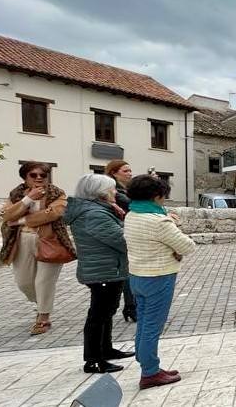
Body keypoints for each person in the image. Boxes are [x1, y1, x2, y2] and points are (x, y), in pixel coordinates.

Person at [124, 175, 196, 389]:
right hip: (158, 276)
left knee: (145, 322)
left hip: (137, 275)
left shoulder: (132, 214)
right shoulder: (159, 221)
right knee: (153, 325)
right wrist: (172, 224)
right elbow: (188, 246)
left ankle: (147, 363)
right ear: (156, 196)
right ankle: (149, 372)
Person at [64, 174, 135, 373]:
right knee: (98, 315)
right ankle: (93, 359)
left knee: (107, 312)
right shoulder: (94, 214)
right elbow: (122, 240)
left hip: (108, 268)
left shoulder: (100, 210)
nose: (115, 192)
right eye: (112, 189)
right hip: (103, 269)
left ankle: (106, 349)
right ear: (100, 193)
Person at [0, 162, 72, 336]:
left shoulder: (57, 193)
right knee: (24, 282)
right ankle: (42, 304)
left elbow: (54, 213)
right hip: (21, 240)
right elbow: (7, 215)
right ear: (25, 177)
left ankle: (43, 318)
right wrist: (28, 199)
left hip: (50, 240)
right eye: (33, 175)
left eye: (43, 175)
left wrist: (20, 220)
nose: (39, 178)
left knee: (44, 282)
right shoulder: (16, 194)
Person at [105, 159, 137, 323]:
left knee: (128, 270)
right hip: (121, 232)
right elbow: (134, 205)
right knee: (128, 271)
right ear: (114, 173)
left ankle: (130, 306)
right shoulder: (114, 191)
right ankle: (131, 306)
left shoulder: (126, 189)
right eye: (125, 171)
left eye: (130, 170)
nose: (130, 173)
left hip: (128, 230)